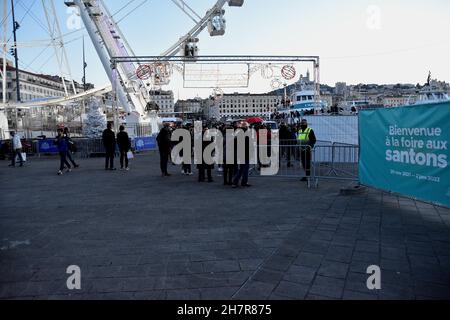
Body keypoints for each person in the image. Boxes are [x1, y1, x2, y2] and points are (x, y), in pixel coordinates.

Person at [232, 122, 251, 188]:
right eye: (248, 126)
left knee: (242, 169)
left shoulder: (239, 133)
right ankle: (240, 182)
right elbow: (248, 145)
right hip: (245, 154)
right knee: (244, 169)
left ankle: (238, 182)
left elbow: (235, 143)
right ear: (246, 127)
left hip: (241, 153)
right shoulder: (246, 134)